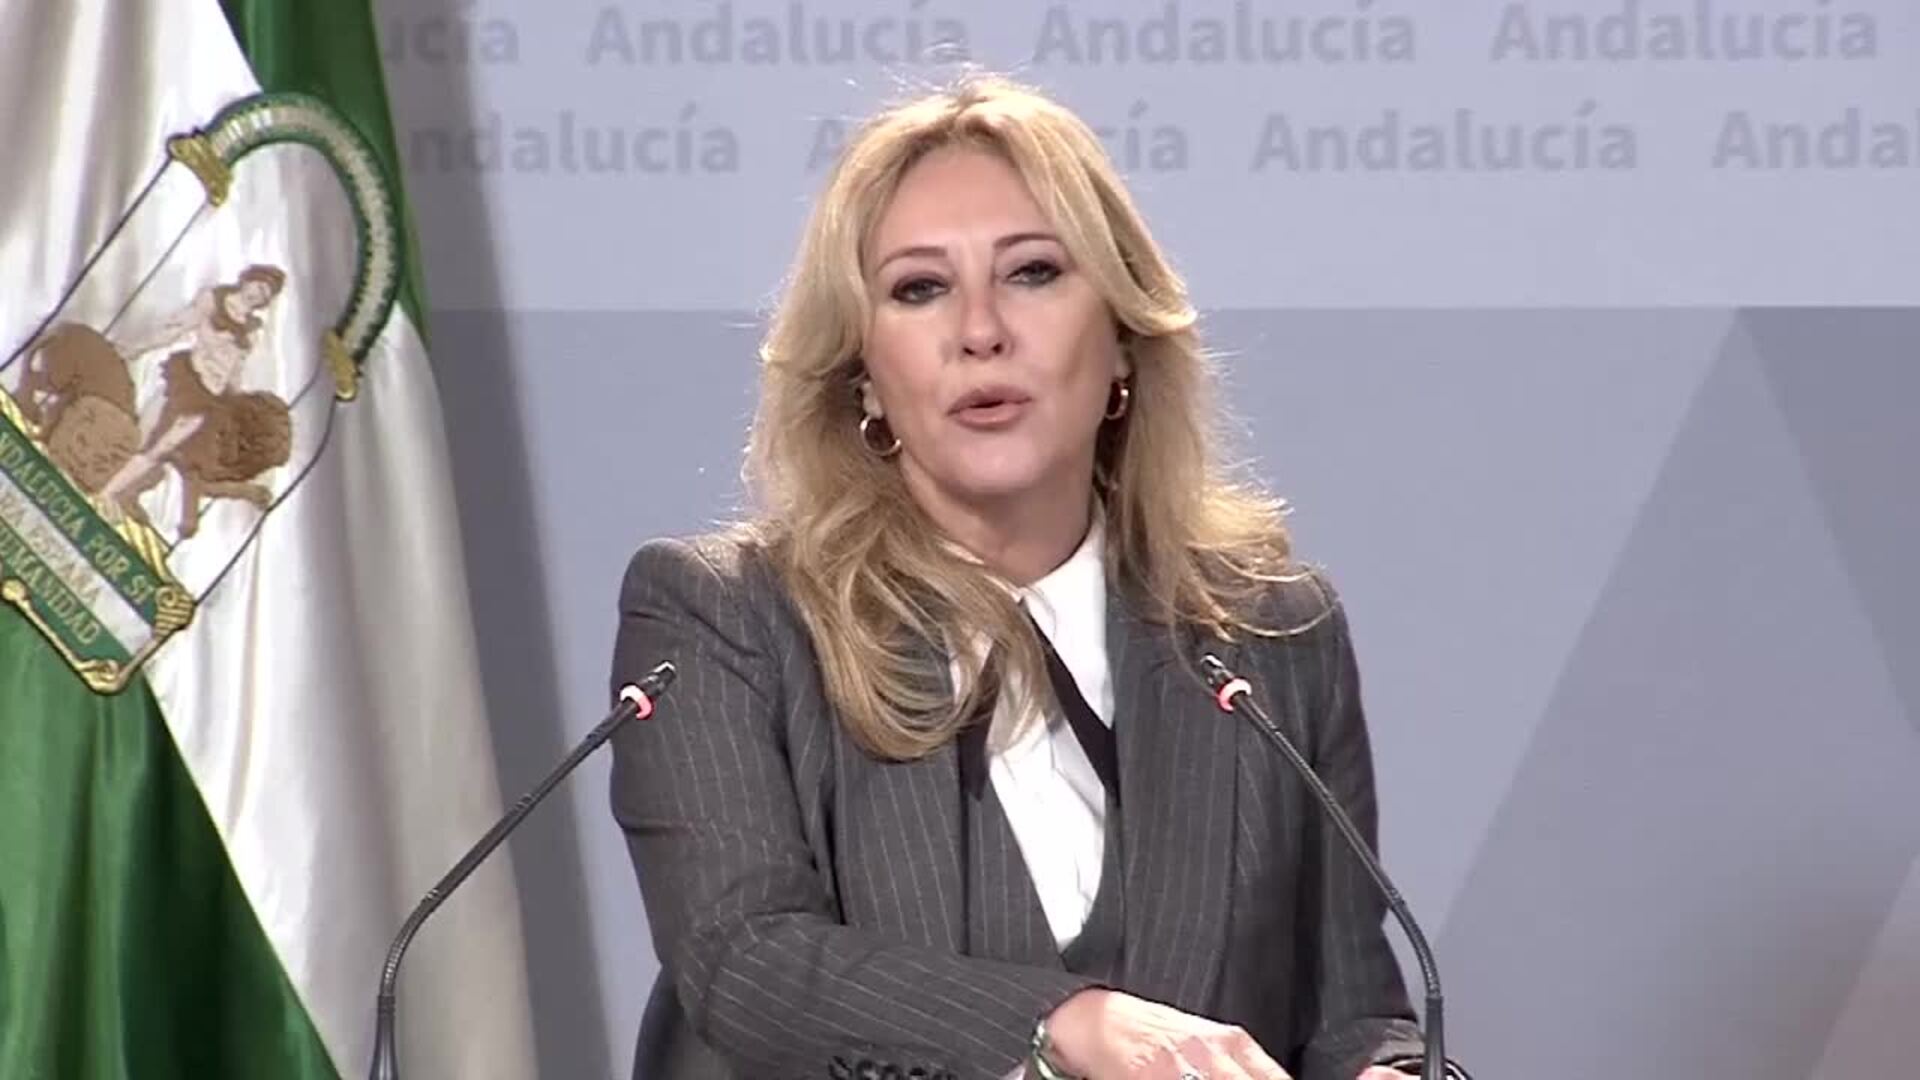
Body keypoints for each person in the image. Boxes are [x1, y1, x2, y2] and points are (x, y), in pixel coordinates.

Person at [608, 73, 1465, 1080]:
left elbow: (1349, 1007)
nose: (981, 330)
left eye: (1032, 272)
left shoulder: (1270, 633)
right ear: (863, 374)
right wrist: (1067, 1022)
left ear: (1124, 341)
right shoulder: (726, 619)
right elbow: (743, 958)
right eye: (920, 289)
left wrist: (1377, 1071)